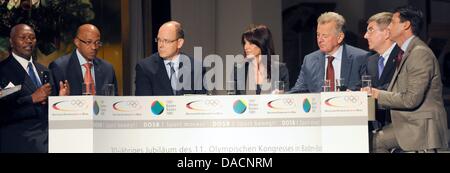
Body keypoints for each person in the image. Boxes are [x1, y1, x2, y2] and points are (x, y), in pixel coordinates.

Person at [365, 6, 448, 153]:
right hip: (410, 122)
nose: (389, 27)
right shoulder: (407, 51)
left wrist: (377, 94)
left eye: (393, 23)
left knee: (376, 141)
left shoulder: (419, 53)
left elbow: (411, 99)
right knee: (374, 138)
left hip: (420, 125)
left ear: (406, 25)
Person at [0, 24, 69, 153]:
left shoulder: (45, 70)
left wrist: (60, 100)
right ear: (11, 41)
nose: (29, 41)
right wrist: (31, 98)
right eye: (23, 37)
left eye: (32, 37)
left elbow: (48, 109)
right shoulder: (3, 71)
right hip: (18, 142)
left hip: (49, 140)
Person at [289, 12, 368, 93]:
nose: (320, 40)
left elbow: (368, 92)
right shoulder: (309, 60)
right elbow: (298, 91)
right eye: (318, 35)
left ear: (340, 37)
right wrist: (280, 97)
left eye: (325, 36)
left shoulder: (360, 58)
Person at [135, 21, 206, 96]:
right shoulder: (145, 68)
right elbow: (144, 103)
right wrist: (164, 108)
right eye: (159, 40)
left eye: (166, 41)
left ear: (179, 43)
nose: (161, 45)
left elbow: (200, 103)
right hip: (157, 108)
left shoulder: (196, 67)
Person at [49, 24, 118, 96]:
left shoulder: (108, 69)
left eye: (97, 43)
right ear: (77, 42)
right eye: (89, 42)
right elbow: (53, 103)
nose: (94, 47)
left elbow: (114, 102)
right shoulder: (59, 67)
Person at [363, 12, 402, 134]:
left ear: (386, 33)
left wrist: (373, 92)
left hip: (401, 124)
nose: (365, 36)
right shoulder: (371, 61)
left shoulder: (403, 55)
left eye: (370, 30)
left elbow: (399, 89)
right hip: (376, 126)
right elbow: (366, 88)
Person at [232, 24, 289, 95]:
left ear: (262, 44)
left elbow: (285, 98)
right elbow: (232, 97)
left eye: (251, 43)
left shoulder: (280, 69)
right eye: (245, 43)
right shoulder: (238, 69)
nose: (246, 47)